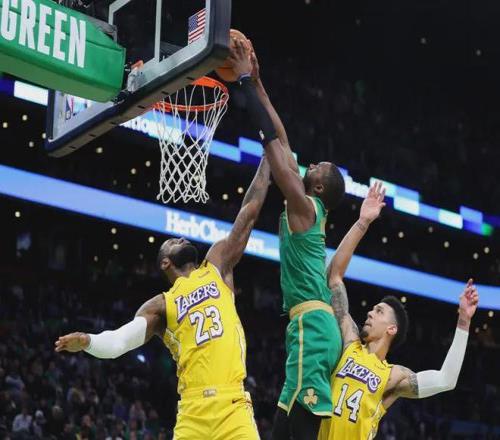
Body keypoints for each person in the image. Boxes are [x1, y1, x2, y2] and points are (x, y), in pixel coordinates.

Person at [54, 156, 271, 438]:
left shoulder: (216, 265)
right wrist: (89, 341)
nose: (180, 238)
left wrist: (267, 159)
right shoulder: (160, 305)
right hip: (192, 411)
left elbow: (248, 212)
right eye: (172, 242)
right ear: (165, 262)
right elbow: (120, 341)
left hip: (233, 405)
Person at [230, 39, 345, 439]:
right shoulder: (308, 207)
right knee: (283, 423)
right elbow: (282, 140)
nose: (311, 163)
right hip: (310, 326)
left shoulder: (306, 207)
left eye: (318, 166)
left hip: (312, 325)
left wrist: (244, 82)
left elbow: (273, 149)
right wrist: (260, 84)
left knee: (298, 427)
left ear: (320, 186)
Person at [318, 182, 479, 439]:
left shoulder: (393, 377)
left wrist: (463, 322)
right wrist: (362, 222)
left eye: (379, 311)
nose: (370, 313)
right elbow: (333, 277)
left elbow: (446, 379)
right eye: (373, 309)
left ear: (391, 328)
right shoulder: (350, 341)